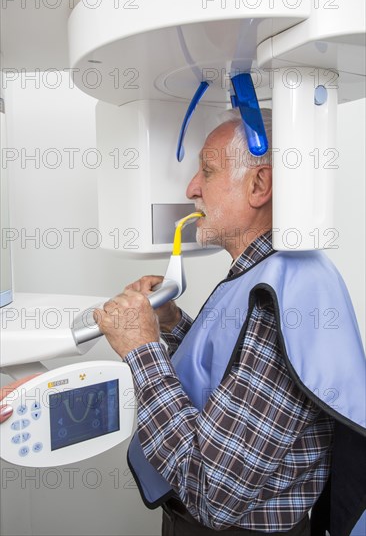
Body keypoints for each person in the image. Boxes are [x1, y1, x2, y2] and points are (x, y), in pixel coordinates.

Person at [1, 109, 364, 536]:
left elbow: (212, 492)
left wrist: (142, 349)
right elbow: (226, 382)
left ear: (259, 185)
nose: (192, 188)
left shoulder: (287, 297)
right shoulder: (267, 272)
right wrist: (170, 324)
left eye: (206, 172)